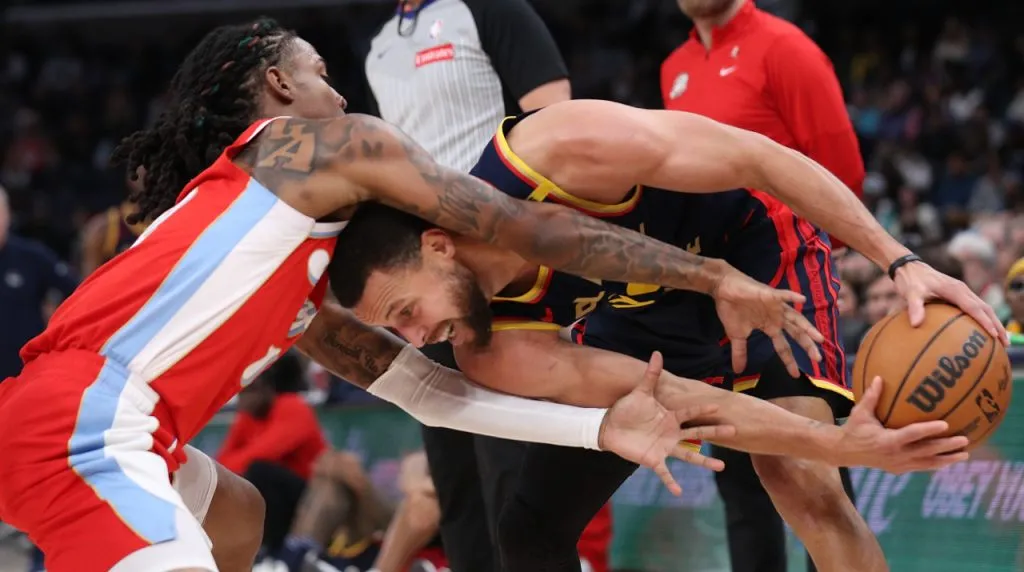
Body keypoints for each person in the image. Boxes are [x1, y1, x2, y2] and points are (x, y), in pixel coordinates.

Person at [0, 18, 781, 572]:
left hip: (116, 430)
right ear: (279, 83)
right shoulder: (319, 146)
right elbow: (526, 228)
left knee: (237, 517)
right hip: (85, 427)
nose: (338, 97)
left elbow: (436, 397)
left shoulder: (277, 256)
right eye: (321, 77)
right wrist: (709, 273)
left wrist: (598, 430)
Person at [326, 97, 1001, 572]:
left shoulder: (556, 151)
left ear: (440, 246)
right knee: (529, 525)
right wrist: (848, 444)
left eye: (405, 311)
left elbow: (760, 158)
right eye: (396, 331)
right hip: (646, 307)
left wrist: (901, 261)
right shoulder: (492, 347)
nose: (416, 338)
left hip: (755, 251)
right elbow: (673, 399)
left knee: (800, 478)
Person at [364, 1, 577, 568]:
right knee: (455, 482)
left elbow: (557, 119)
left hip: (493, 268)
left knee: (511, 472)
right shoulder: (379, 44)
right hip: (423, 276)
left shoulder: (489, 9)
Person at [660, 1, 865, 566]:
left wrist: (820, 259)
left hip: (788, 276)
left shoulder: (785, 47)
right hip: (710, 287)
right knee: (740, 479)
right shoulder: (674, 65)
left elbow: (841, 170)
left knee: (814, 477)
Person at [217, 351, 326, 556]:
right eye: (241, 394)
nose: (245, 399)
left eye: (252, 391)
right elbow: (223, 464)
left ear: (268, 390)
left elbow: (263, 454)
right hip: (276, 494)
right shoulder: (247, 418)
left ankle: (272, 550)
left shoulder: (293, 407)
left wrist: (237, 463)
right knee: (227, 484)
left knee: (259, 471)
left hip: (310, 492)